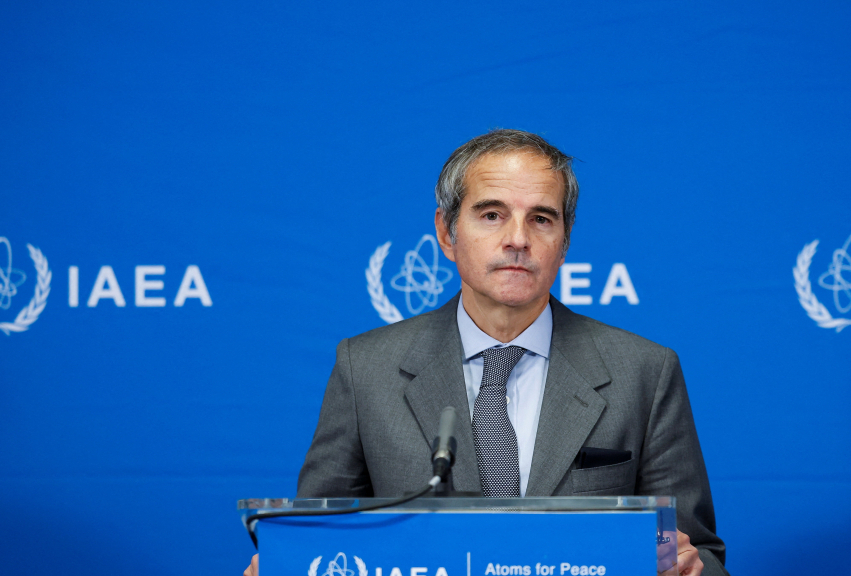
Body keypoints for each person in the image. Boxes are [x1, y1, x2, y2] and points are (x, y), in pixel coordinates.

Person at [245, 130, 728, 576]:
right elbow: (321, 543)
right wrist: (289, 563)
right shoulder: (365, 369)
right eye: (492, 214)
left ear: (564, 242)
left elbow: (702, 552)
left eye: (541, 219)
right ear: (446, 232)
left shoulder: (645, 371)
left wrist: (689, 567)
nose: (518, 239)